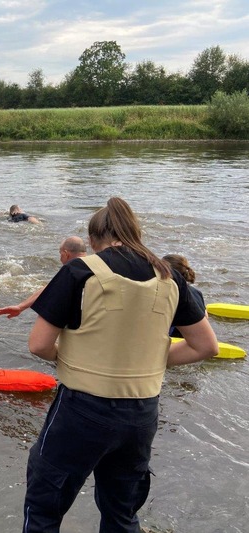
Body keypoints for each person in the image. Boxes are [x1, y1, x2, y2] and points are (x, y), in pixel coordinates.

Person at [22, 197, 218, 533]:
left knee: (44, 508)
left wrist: (73, 358)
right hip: (142, 414)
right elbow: (206, 346)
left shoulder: (79, 271)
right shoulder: (170, 278)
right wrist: (152, 362)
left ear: (95, 238)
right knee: (122, 512)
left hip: (82, 411)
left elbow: (39, 345)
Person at [0, 236, 86, 318]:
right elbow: (51, 287)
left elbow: (52, 289)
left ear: (66, 254)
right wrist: (21, 306)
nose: (60, 258)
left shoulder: (70, 269)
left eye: (60, 253)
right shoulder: (95, 263)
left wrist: (20, 307)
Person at [163, 254, 207, 337]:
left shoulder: (170, 294)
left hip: (176, 338)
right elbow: (205, 316)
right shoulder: (197, 292)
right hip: (196, 337)